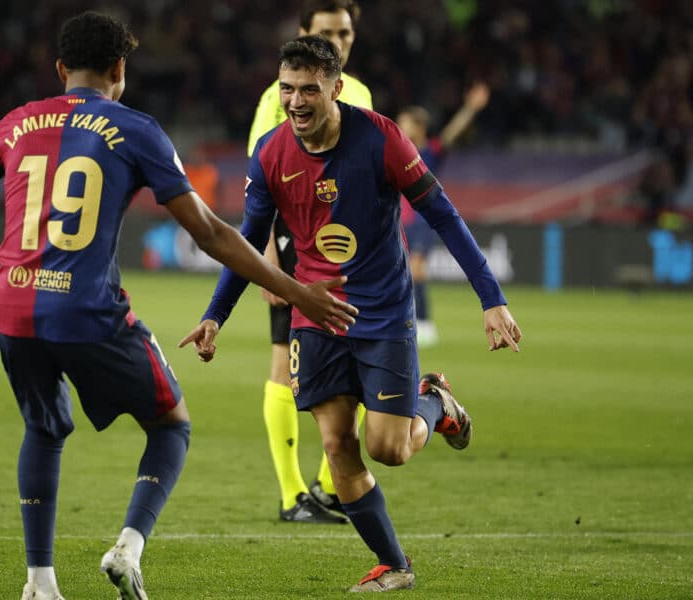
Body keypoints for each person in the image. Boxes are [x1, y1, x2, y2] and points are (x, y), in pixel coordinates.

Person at [0, 12, 356, 600]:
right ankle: (128, 547)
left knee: (44, 427)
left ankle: (40, 583)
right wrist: (297, 290)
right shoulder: (137, 129)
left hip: (13, 305)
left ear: (60, 68)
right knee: (171, 424)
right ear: (120, 69)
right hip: (84, 308)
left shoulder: (16, 123)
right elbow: (210, 232)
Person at [180, 36, 521, 592]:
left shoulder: (382, 138)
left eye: (309, 89)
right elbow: (248, 241)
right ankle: (395, 564)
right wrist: (216, 314)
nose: (296, 101)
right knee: (337, 444)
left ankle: (433, 404)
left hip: (383, 311)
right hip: (315, 314)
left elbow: (442, 214)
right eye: (287, 89)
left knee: (389, 449)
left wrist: (491, 297)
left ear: (336, 88)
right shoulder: (269, 153)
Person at [246, 0, 372, 525]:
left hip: (351, 251)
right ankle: (293, 492)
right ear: (303, 34)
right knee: (284, 358)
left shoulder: (359, 93)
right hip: (296, 244)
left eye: (344, 32)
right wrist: (268, 252)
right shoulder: (281, 96)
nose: (338, 41)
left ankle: (328, 485)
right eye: (326, 32)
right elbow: (262, 170)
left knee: (362, 356)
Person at [396, 82, 491, 347]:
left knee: (417, 271)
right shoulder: (397, 151)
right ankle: (411, 322)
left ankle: (425, 324)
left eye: (405, 123)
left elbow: (453, 132)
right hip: (400, 222)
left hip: (424, 222)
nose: (400, 127)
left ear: (419, 126)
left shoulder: (431, 151)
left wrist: (471, 108)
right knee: (404, 274)